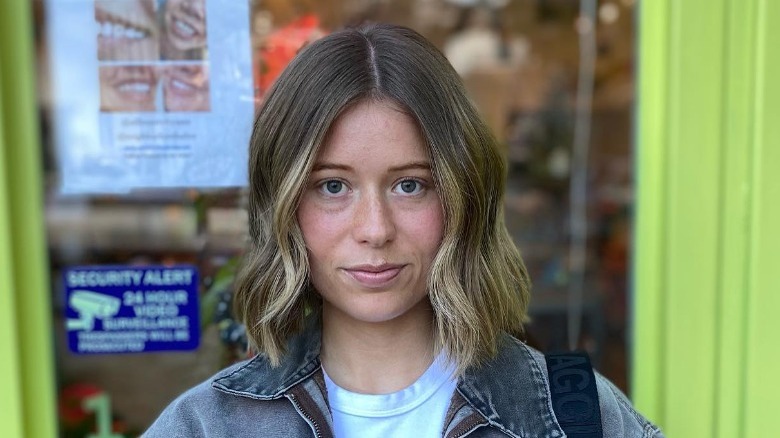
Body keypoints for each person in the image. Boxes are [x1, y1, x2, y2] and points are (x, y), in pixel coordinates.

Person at [144, 23, 663, 437]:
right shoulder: (207, 425)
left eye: (411, 185)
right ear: (282, 206)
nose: (374, 230)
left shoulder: (574, 416)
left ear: (464, 196)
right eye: (331, 187)